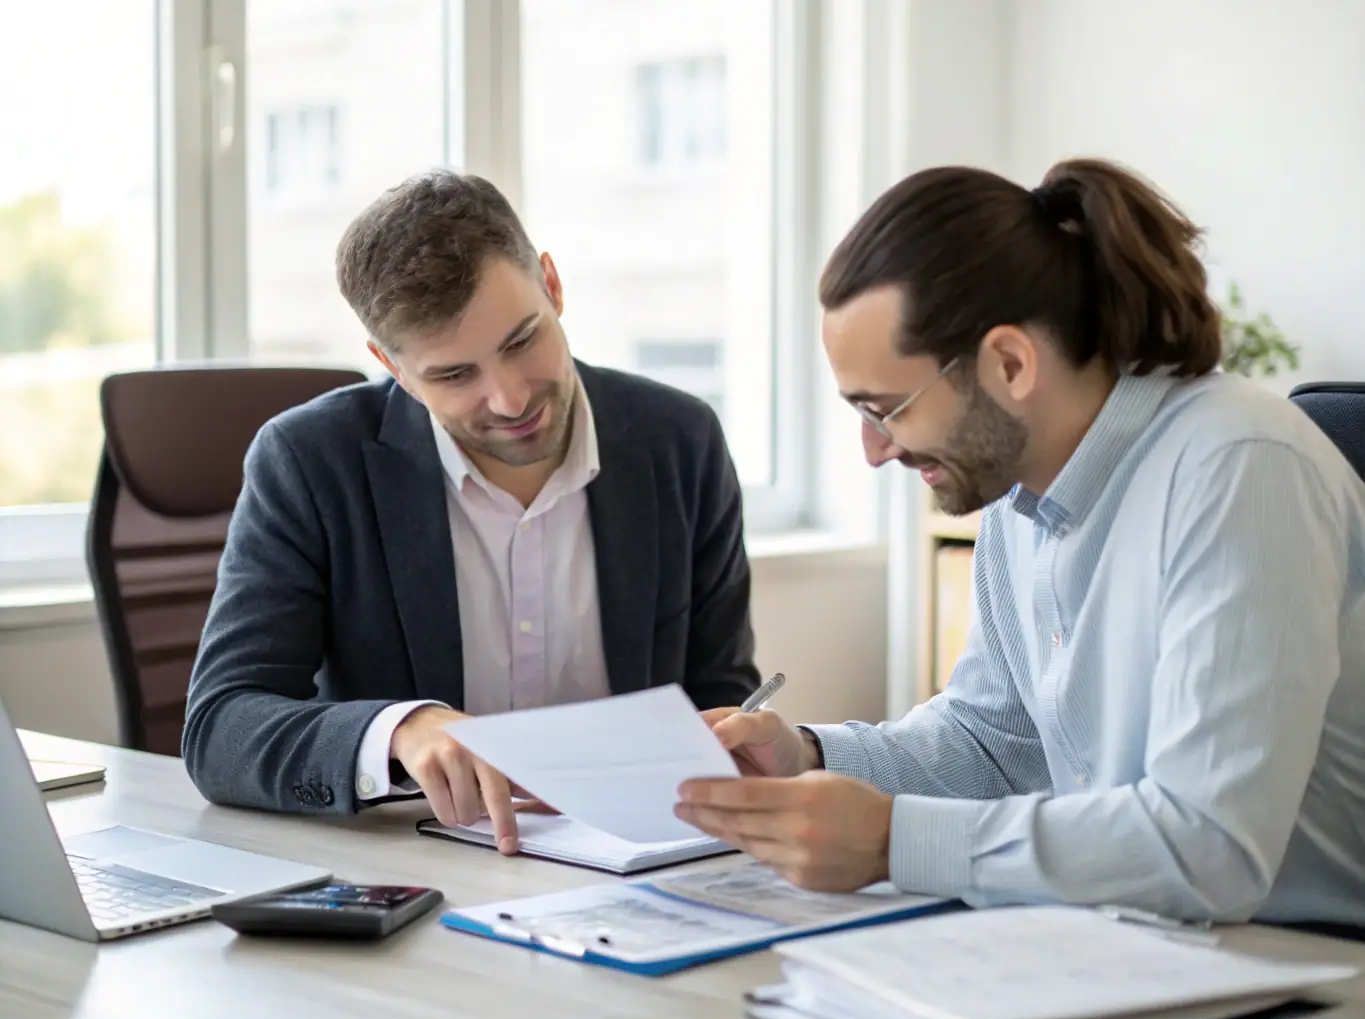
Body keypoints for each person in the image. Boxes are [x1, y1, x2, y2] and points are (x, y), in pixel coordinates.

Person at [675, 157, 1365, 926]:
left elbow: (1208, 847)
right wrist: (808, 756)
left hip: (1312, 963)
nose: (873, 450)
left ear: (1008, 363)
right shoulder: (1017, 493)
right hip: (1136, 948)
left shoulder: (1240, 467)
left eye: (885, 409)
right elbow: (995, 744)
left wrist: (886, 840)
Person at [183, 170, 761, 851]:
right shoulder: (310, 462)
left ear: (551, 284)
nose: (511, 400)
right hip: (425, 873)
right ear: (390, 365)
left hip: (642, 866)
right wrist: (401, 730)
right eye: (454, 376)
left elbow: (718, 697)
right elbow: (220, 728)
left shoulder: (679, 440)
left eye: (522, 341)